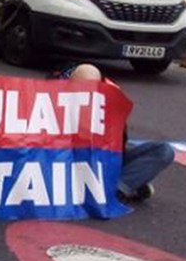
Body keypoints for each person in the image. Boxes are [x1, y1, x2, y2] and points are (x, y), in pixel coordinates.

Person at [53, 63, 174, 204]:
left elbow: (118, 144)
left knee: (163, 151)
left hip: (102, 157)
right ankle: (124, 185)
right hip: (67, 160)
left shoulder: (110, 97)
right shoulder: (50, 95)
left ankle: (116, 188)